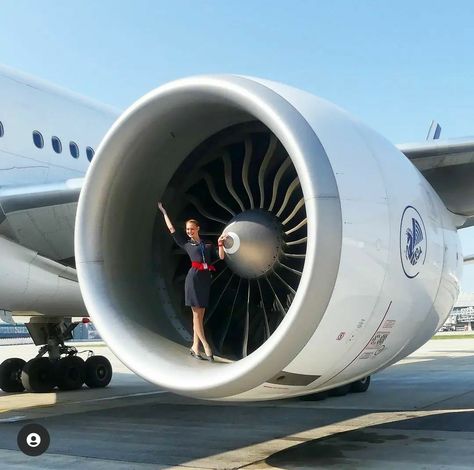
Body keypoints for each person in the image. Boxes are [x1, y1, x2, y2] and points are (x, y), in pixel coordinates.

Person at [158, 202, 226, 361]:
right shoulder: (186, 244)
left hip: (204, 279)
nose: (189, 232)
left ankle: (195, 347)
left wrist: (221, 242)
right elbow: (172, 230)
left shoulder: (207, 245)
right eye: (187, 229)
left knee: (200, 316)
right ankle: (206, 345)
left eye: (191, 229)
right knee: (196, 316)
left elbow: (221, 256)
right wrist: (163, 211)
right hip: (193, 279)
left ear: (198, 229)